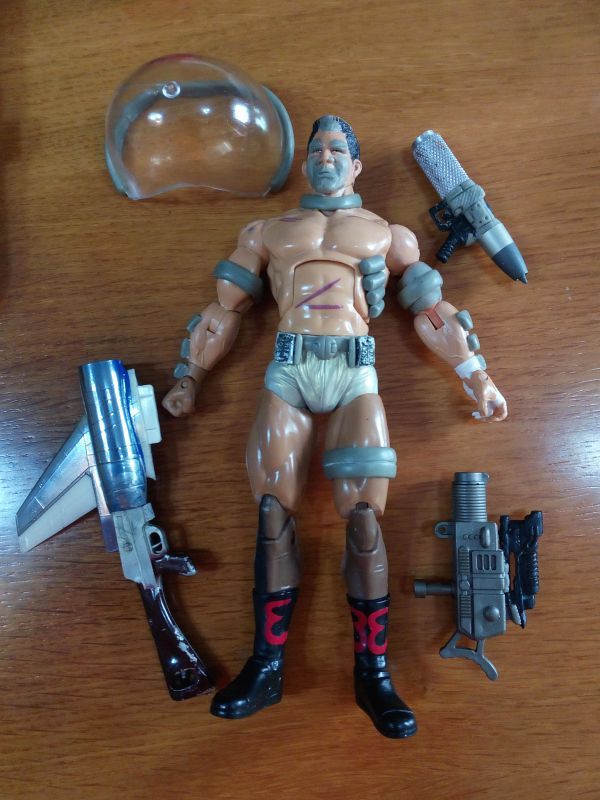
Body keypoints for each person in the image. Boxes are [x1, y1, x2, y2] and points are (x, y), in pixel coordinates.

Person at [163, 115, 507, 738]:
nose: (326, 155)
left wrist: (475, 375)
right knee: (272, 513)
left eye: (337, 148)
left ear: (355, 165)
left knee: (366, 522)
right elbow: (221, 310)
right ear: (305, 163)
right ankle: (267, 668)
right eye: (316, 147)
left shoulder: (388, 236)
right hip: (289, 372)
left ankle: (373, 675)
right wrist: (189, 376)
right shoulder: (268, 232)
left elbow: (432, 309)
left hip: (353, 374)